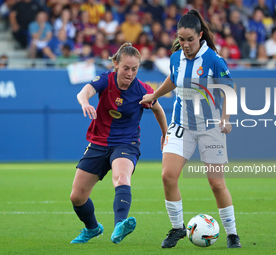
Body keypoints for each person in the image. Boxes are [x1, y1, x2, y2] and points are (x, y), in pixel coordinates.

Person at [139, 9, 241, 249]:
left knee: (216, 184)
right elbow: (173, 79)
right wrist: (154, 95)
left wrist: (225, 118)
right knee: (167, 176)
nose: (185, 44)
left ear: (200, 35)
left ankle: (232, 234)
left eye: (189, 39)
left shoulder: (214, 60)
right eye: (181, 39)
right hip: (181, 124)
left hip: (210, 127)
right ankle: (177, 229)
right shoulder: (176, 57)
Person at [70, 43, 168, 244]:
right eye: (126, 68)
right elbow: (83, 92)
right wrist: (85, 103)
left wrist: (165, 134)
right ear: (116, 64)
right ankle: (92, 228)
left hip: (126, 143)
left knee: (121, 178)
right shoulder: (106, 79)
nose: (130, 73)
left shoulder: (143, 90)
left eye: (134, 69)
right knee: (77, 197)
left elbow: (158, 109)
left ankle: (119, 225)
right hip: (98, 143)